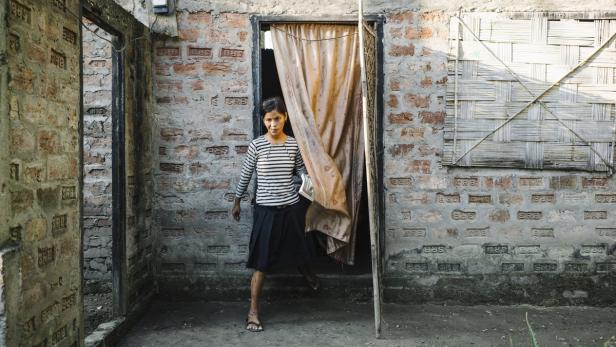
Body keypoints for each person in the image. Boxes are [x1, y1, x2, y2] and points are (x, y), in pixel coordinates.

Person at [232, 96, 319, 333]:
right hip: (266, 211)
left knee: (301, 247)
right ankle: (253, 311)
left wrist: (303, 182)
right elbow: (246, 175)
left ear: (285, 118)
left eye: (277, 119)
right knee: (262, 262)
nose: (273, 124)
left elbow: (301, 170)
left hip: (290, 208)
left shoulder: (292, 145)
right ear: (263, 120)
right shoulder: (257, 146)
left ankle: (308, 274)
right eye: (269, 119)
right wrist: (237, 201)